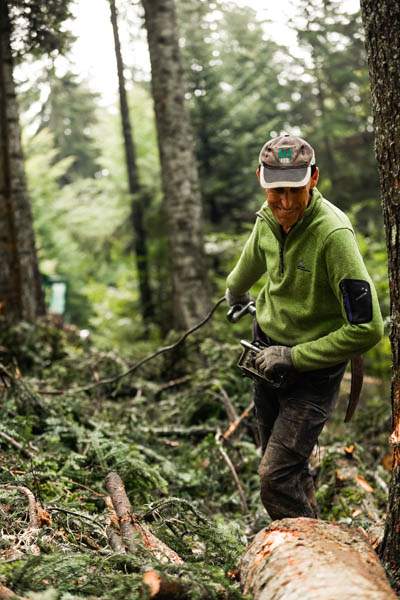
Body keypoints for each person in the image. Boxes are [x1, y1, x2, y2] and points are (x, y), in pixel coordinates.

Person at [225, 133, 383, 520]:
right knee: (283, 463)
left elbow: (367, 328)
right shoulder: (267, 219)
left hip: (313, 371)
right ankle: (311, 537)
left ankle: (305, 549)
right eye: (275, 190)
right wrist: (235, 292)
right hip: (265, 353)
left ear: (313, 178)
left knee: (275, 478)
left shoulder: (333, 235)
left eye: (294, 189)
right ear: (261, 179)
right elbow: (249, 264)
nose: (285, 202)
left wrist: (295, 357)